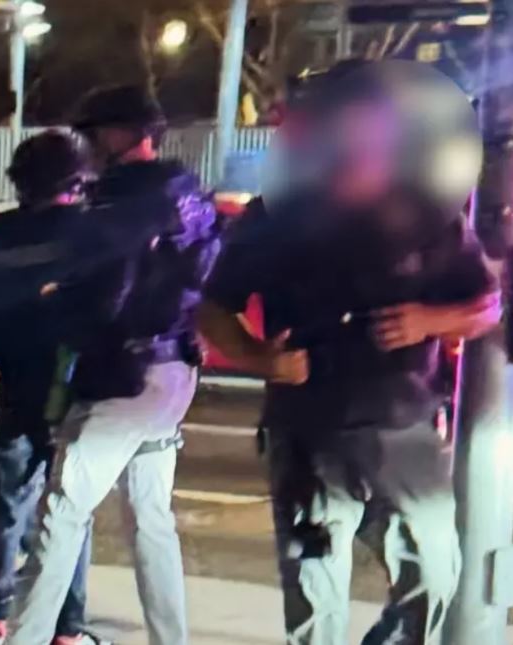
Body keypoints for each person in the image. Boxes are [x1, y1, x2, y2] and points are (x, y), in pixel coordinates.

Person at [197, 64, 501, 644]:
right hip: (307, 436)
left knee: (434, 577)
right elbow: (213, 307)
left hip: (403, 432)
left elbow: (485, 305)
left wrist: (427, 320)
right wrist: (259, 359)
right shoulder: (276, 216)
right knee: (314, 598)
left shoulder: (426, 211)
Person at [5, 86, 220, 645]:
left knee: (61, 514)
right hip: (173, 367)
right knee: (151, 521)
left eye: (96, 133)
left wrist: (56, 305)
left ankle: (26, 637)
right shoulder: (188, 192)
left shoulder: (124, 204)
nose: (90, 146)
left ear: (126, 134)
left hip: (125, 376)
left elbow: (103, 292)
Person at [0, 129, 96, 645]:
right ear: (76, 181)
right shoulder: (88, 238)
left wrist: (8, 357)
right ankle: (68, 627)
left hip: (17, 385)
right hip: (71, 388)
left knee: (6, 505)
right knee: (69, 510)